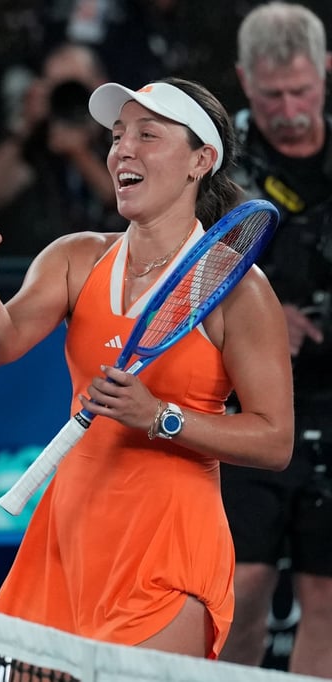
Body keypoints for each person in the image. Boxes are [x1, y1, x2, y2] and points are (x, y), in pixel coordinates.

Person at [0, 77, 294, 659]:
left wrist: (160, 417)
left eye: (148, 135)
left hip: (168, 551)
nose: (123, 148)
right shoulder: (75, 257)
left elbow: (274, 440)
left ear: (201, 160)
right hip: (63, 541)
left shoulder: (239, 289)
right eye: (118, 134)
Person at [218, 3, 332, 677]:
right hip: (247, 403)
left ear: (325, 70)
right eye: (271, 95)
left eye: (302, 90)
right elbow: (166, 273)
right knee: (243, 586)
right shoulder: (212, 164)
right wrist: (253, 311)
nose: (289, 109)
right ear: (242, 80)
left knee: (326, 592)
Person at [0, 43, 122, 256]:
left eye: (74, 86)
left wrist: (79, 153)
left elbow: (122, 198)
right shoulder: (43, 142)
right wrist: (24, 126)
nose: (67, 97)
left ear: (99, 85)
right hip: (60, 269)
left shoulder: (122, 131)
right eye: (57, 89)